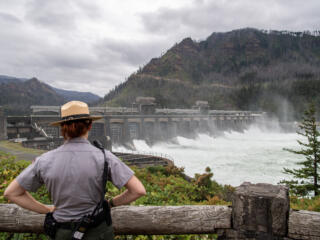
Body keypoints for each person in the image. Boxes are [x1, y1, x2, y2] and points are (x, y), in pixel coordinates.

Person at [4, 101, 146, 239]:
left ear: (62, 128)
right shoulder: (103, 157)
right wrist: (110, 204)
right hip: (97, 231)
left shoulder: (44, 160)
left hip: (61, 231)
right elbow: (138, 190)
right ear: (89, 126)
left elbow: (12, 193)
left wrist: (46, 209)